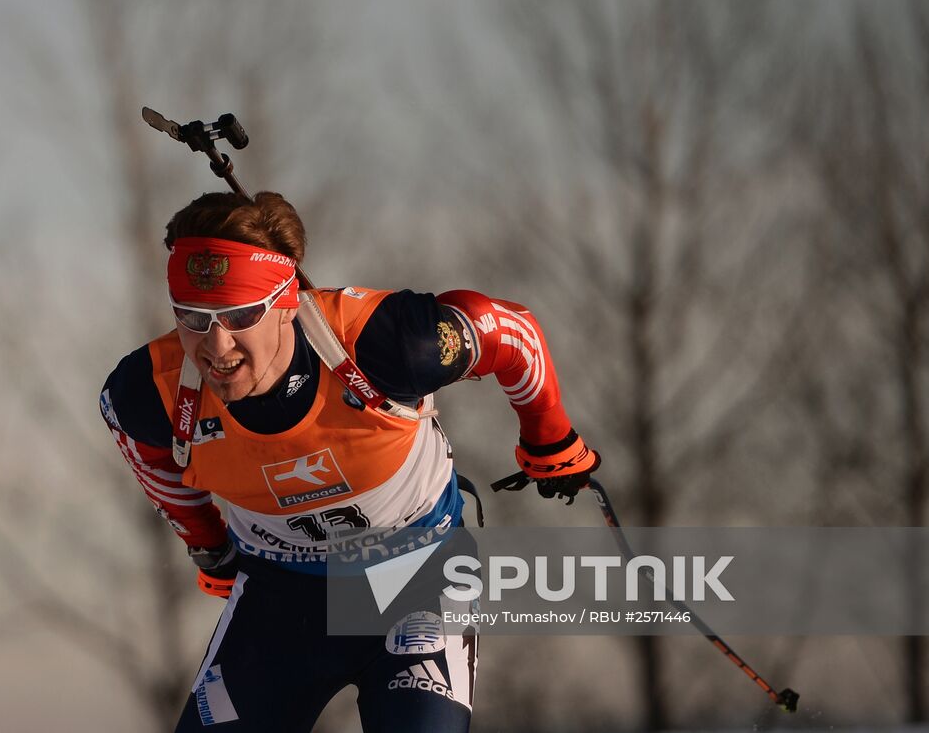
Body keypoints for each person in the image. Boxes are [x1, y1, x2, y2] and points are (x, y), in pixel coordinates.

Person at [99, 190, 599, 732]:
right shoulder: (149, 390)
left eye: (241, 315)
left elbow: (511, 334)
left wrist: (550, 440)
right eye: (193, 318)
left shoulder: (384, 343)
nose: (216, 345)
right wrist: (209, 544)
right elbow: (150, 458)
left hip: (416, 579)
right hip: (282, 595)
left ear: (286, 301)